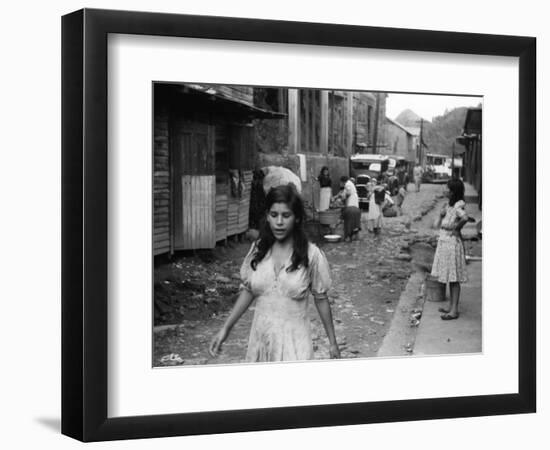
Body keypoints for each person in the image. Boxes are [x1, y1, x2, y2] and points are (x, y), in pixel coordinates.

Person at [209, 184, 340, 362]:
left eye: (286, 216)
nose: (279, 222)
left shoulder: (311, 255)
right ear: (267, 217)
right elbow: (249, 290)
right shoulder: (259, 249)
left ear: (297, 219)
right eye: (274, 215)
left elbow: (321, 298)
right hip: (261, 343)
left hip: (295, 346)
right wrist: (226, 328)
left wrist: (332, 343)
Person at [431, 179, 469, 320]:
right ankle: (451, 306)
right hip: (445, 242)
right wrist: (441, 216)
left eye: (446, 188)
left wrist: (456, 228)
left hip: (452, 243)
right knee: (449, 275)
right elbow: (436, 225)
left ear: (452, 191)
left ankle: (454, 310)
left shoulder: (458, 206)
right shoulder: (448, 206)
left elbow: (464, 218)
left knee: (454, 279)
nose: (444, 189)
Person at [335, 176, 361, 242]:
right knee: (355, 222)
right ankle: (355, 237)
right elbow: (344, 193)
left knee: (348, 222)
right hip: (355, 207)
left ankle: (348, 237)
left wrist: (341, 198)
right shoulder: (350, 184)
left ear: (342, 181)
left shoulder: (347, 184)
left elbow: (347, 193)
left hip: (351, 205)